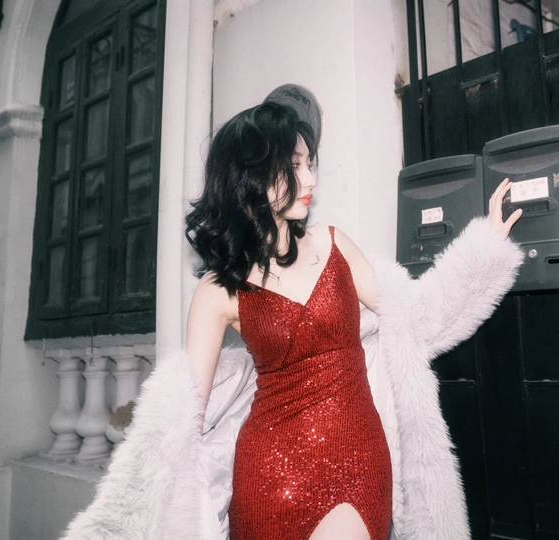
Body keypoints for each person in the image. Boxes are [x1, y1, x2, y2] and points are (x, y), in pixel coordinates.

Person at [60, 88, 523, 540]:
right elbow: (182, 420)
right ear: (250, 178)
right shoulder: (218, 290)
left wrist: (485, 247)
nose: (311, 180)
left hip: (358, 463)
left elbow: (417, 318)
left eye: (309, 164)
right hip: (268, 478)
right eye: (294, 166)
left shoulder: (335, 244)